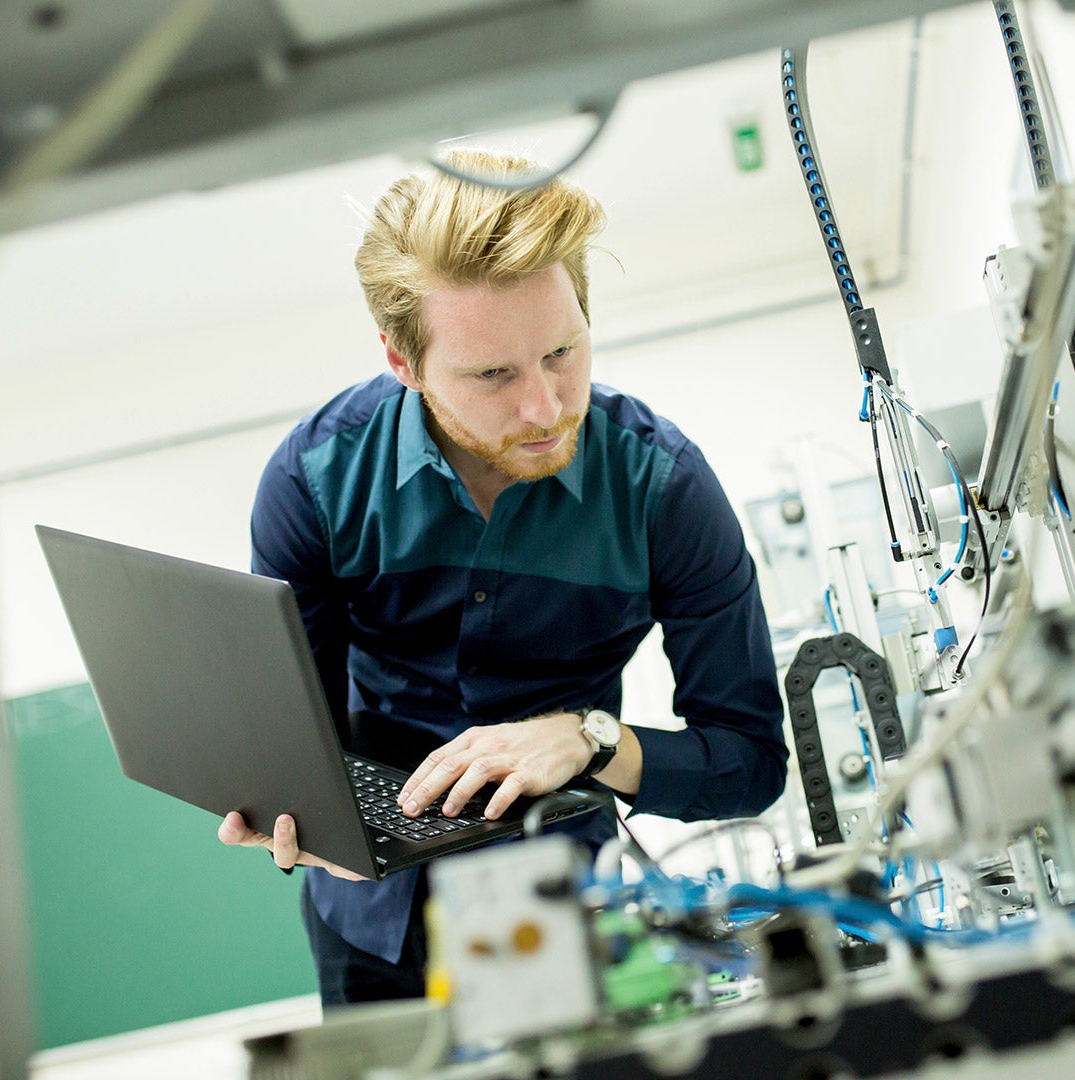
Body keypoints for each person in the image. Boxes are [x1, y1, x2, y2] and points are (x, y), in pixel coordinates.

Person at [218, 147, 788, 1006]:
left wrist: (592, 739)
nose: (545, 407)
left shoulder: (663, 492)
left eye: (563, 351)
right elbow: (298, 728)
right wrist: (279, 800)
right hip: (367, 919)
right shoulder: (316, 479)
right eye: (491, 374)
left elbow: (749, 762)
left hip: (571, 916)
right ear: (402, 362)